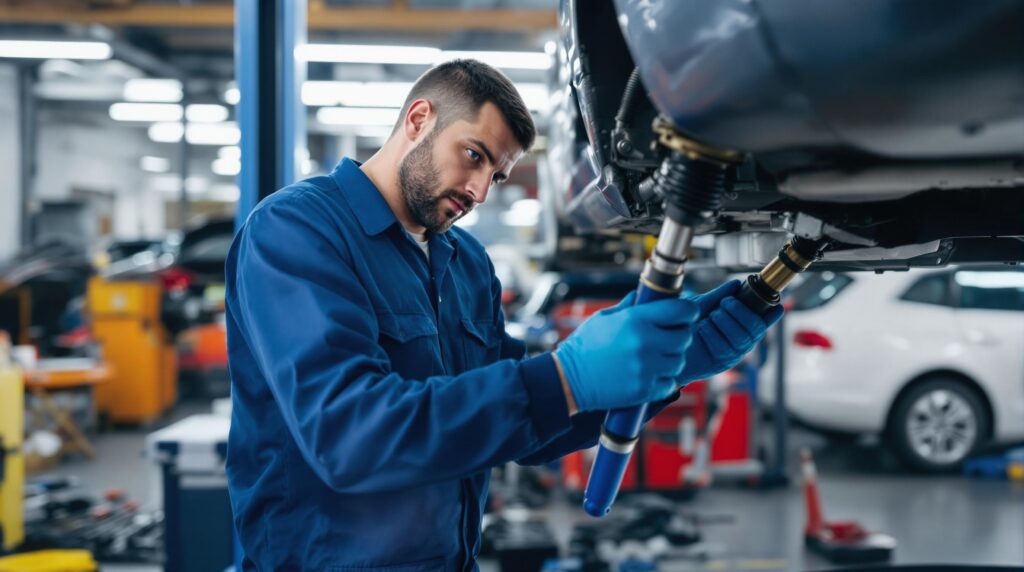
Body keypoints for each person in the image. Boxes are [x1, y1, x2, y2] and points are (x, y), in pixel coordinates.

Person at [225, 59, 782, 571]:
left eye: (495, 175)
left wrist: (662, 367)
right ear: (419, 119)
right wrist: (566, 377)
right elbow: (349, 435)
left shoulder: (464, 262)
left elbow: (519, 427)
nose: (478, 191)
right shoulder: (297, 231)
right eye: (474, 156)